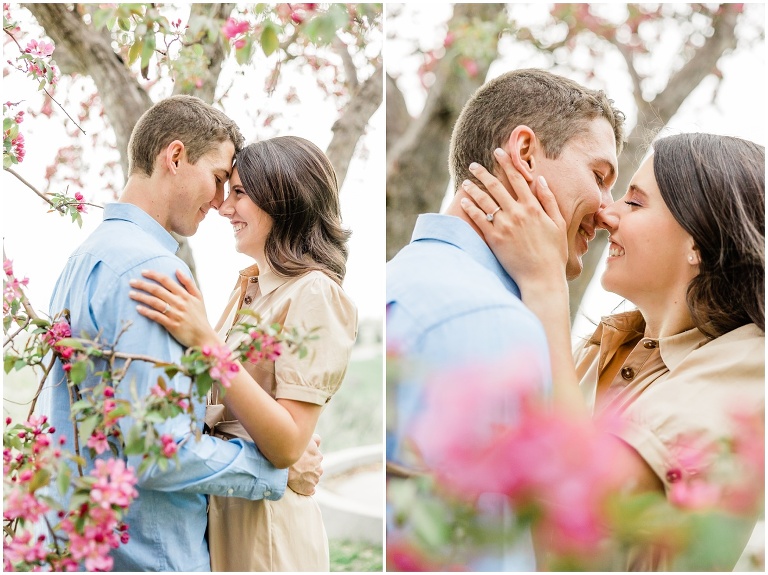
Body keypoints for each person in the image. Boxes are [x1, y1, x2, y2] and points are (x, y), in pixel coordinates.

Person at [37, 96, 323, 572]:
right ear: (174, 157)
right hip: (151, 555)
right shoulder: (153, 270)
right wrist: (274, 469)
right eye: (217, 179)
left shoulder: (84, 259)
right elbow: (158, 452)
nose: (219, 202)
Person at [460, 132, 764, 570]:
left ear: (698, 240)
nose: (606, 213)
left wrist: (546, 284)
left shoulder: (751, 364)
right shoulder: (602, 348)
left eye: (635, 203)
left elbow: (580, 502)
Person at [385, 68, 626, 570]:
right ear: (524, 153)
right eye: (600, 178)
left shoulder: (404, 278)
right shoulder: (487, 321)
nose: (608, 213)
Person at [127, 136, 358, 571]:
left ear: (283, 196)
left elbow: (289, 441)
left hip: (268, 536)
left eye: (239, 193)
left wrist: (207, 344)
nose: (223, 207)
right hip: (224, 517)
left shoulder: (315, 292)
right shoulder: (247, 288)